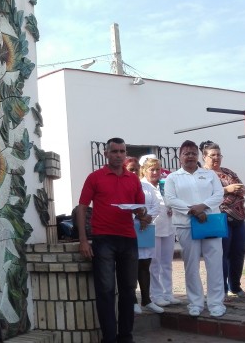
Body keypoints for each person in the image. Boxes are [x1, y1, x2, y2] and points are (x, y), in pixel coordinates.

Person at [77, 138, 151, 343]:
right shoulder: (95, 177)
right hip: (103, 240)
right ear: (106, 154)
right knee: (106, 290)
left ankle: (125, 336)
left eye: (122, 151)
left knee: (128, 290)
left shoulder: (133, 179)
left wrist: (144, 216)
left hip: (128, 239)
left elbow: (139, 209)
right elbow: (82, 207)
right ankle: (109, 338)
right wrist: (84, 240)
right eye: (115, 151)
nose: (119, 155)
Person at [164, 140, 225, 317]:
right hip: (186, 225)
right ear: (180, 156)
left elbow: (219, 194)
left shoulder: (209, 175)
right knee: (191, 265)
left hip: (210, 223)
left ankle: (216, 303)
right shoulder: (172, 177)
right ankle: (195, 303)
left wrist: (203, 206)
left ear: (198, 156)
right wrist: (193, 210)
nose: (190, 156)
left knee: (214, 264)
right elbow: (170, 199)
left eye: (193, 153)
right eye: (186, 153)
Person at [200, 140, 245, 299]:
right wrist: (227, 189)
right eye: (212, 155)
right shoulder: (202, 174)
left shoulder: (229, 172)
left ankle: (235, 287)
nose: (216, 158)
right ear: (204, 157)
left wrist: (241, 189)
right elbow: (204, 194)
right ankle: (220, 290)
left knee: (238, 253)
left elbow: (243, 188)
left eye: (218, 155)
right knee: (222, 254)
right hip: (220, 218)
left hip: (239, 217)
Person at [139, 156, 181, 308]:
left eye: (157, 169)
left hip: (168, 227)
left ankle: (168, 293)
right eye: (152, 169)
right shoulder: (141, 186)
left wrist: (171, 209)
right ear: (144, 170)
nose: (156, 172)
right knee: (154, 263)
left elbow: (171, 201)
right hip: (152, 228)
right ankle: (155, 295)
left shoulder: (164, 184)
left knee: (167, 262)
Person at [129, 157, 164, 314]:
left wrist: (147, 217)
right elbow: (123, 206)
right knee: (132, 266)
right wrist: (138, 217)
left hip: (146, 229)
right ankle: (132, 300)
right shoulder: (123, 186)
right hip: (130, 229)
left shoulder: (146, 187)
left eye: (136, 169)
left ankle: (147, 300)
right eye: (131, 169)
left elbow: (156, 205)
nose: (134, 172)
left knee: (145, 265)